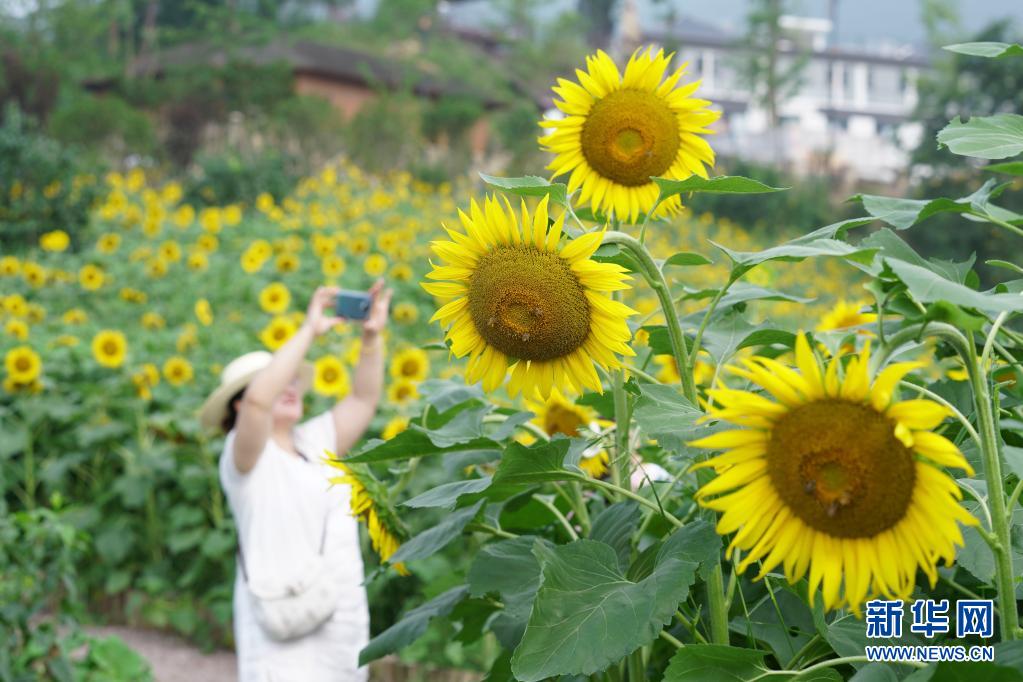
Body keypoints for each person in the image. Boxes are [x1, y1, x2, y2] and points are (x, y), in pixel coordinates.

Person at [199, 282, 392, 682]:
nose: (287, 386)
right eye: (274, 380)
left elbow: (363, 400)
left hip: (340, 618)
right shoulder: (245, 456)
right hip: (282, 624)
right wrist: (310, 330)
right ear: (238, 404)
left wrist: (371, 338)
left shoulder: (315, 440)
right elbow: (259, 402)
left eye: (291, 380)